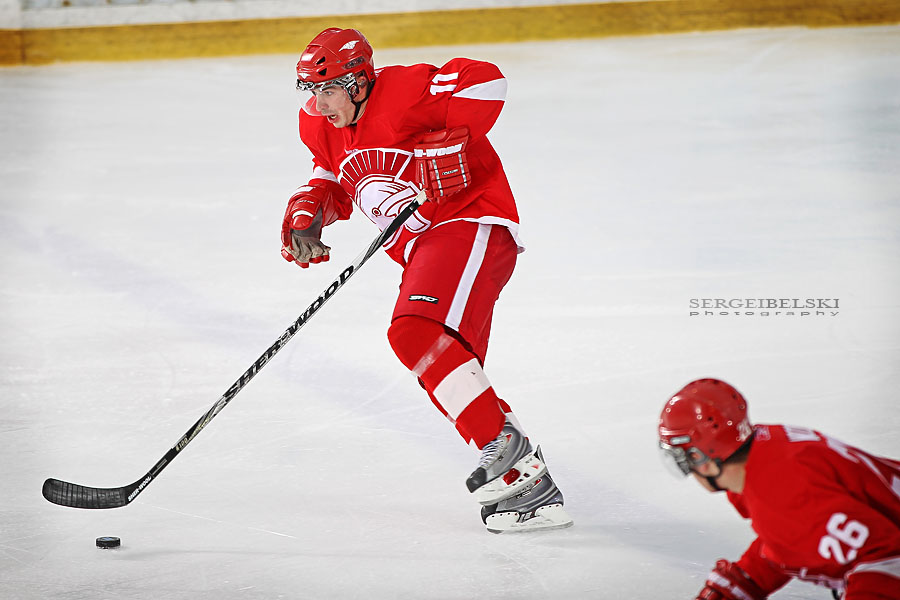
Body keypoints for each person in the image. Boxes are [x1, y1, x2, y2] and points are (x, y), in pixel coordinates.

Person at [280, 27, 573, 533]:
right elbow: (328, 176)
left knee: (412, 332)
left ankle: (505, 451)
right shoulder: (321, 127)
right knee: (451, 367)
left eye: (327, 89)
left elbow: (487, 83)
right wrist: (308, 212)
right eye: (311, 90)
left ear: (357, 81)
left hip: (469, 222)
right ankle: (528, 486)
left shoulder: (406, 91)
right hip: (423, 249)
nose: (319, 103)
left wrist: (448, 140)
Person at [657, 378, 900, 599]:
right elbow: (795, 535)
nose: (687, 471)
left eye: (682, 459)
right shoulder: (765, 450)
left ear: (703, 459)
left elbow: (887, 558)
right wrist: (740, 584)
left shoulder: (785, 493)